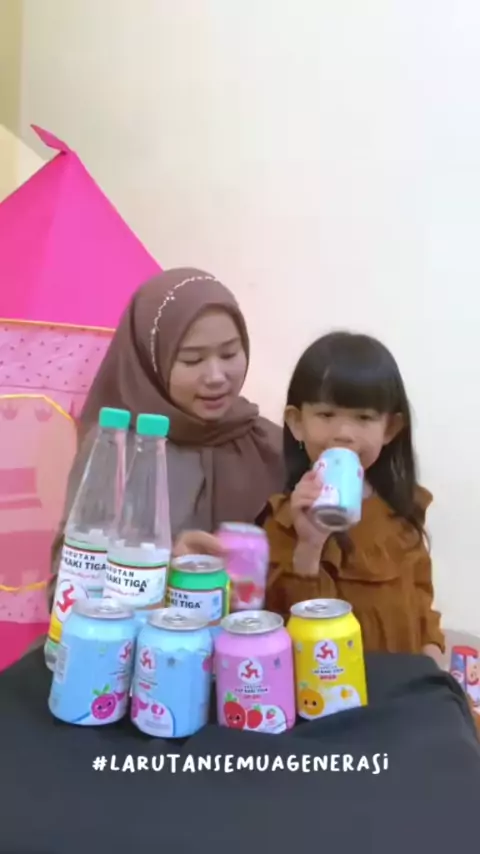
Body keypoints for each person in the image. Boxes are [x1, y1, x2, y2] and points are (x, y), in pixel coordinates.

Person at [175, 331, 445, 664]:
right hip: (330, 685)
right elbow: (283, 629)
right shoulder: (286, 519)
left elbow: (421, 599)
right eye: (326, 415)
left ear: (389, 429)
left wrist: (434, 656)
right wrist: (310, 545)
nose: (344, 434)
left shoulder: (402, 510)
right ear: (297, 423)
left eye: (364, 418)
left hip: (405, 684)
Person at [47, 267, 284, 607]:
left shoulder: (269, 444)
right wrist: (165, 573)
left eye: (230, 354)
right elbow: (64, 594)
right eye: (192, 360)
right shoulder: (117, 449)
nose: (216, 376)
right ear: (152, 361)